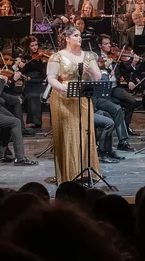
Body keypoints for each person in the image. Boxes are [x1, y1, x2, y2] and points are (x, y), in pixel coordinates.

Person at [46, 25, 112, 181]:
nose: (79, 38)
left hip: (82, 98)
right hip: (63, 98)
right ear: (67, 39)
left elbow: (97, 78)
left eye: (80, 35)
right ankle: (68, 174)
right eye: (76, 35)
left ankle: (84, 171)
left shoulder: (89, 56)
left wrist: (90, 71)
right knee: (69, 133)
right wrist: (63, 88)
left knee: (84, 133)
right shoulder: (57, 56)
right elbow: (51, 77)